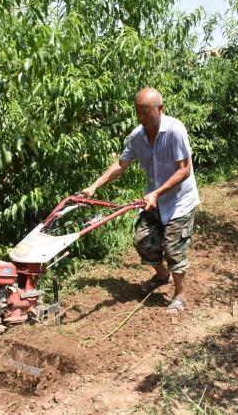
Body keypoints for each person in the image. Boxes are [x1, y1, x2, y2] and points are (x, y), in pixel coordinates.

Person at [80, 88, 199, 313]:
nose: (141, 118)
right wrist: (94, 186)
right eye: (138, 112)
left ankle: (180, 294)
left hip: (179, 200)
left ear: (159, 109)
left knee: (174, 249)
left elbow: (184, 170)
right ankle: (162, 276)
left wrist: (156, 193)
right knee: (142, 240)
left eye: (146, 113)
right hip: (153, 199)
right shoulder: (137, 136)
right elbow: (120, 164)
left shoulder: (175, 130)